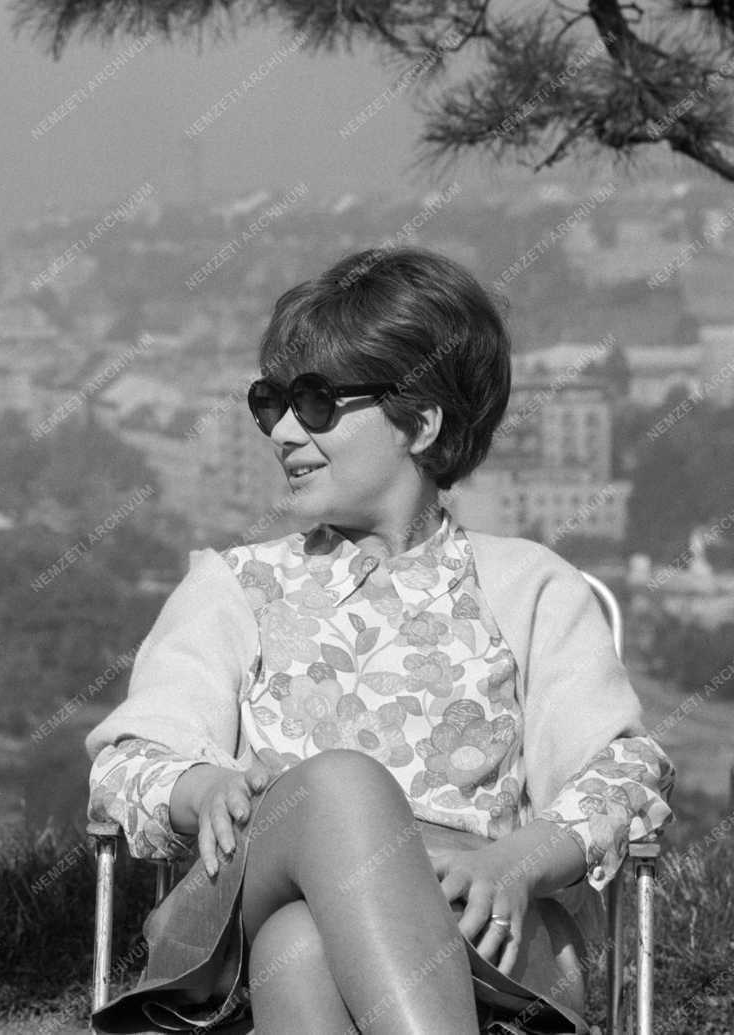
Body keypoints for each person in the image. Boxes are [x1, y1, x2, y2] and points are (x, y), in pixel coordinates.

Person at [84, 247, 675, 1035]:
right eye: (270, 403)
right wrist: (199, 787)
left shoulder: (530, 586)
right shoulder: (235, 586)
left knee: (303, 943)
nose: (282, 430)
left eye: (316, 402)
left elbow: (623, 769)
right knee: (336, 789)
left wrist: (520, 859)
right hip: (240, 924)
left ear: (421, 422)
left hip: (474, 936)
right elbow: (124, 765)